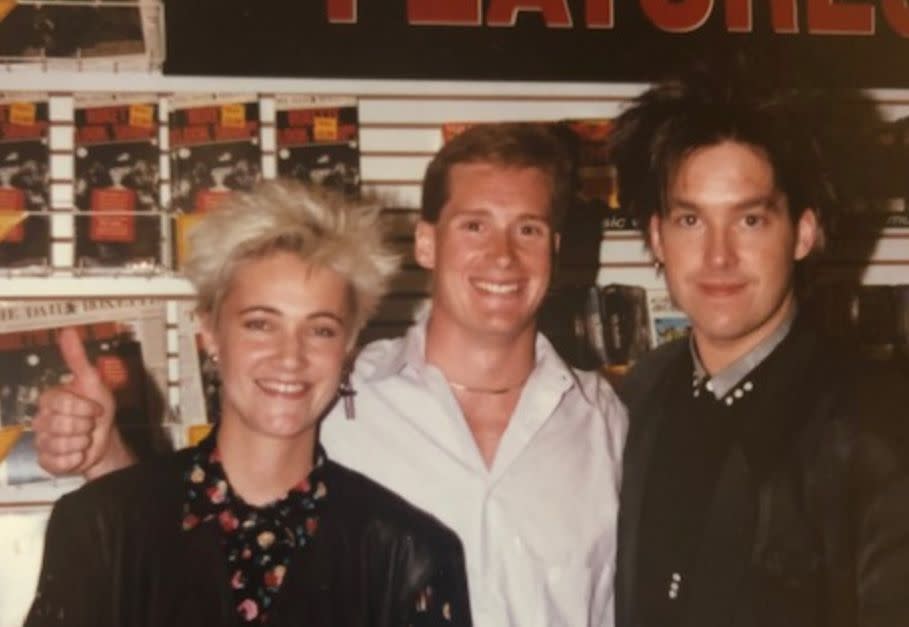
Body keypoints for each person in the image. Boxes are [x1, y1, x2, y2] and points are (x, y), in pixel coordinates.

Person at [32, 123, 628, 627]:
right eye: (474, 225)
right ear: (426, 242)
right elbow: (196, 529)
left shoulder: (609, 422)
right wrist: (106, 459)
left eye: (526, 229)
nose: (502, 256)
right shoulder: (337, 392)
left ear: (555, 245)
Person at [26, 181, 472, 627]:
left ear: (349, 348)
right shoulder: (97, 526)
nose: (290, 357)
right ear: (209, 331)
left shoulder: (413, 554)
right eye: (260, 324)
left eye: (320, 330)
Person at [607, 62, 909, 627]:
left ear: (804, 232)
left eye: (749, 220)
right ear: (656, 235)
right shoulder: (640, 394)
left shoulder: (880, 426)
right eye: (691, 220)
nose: (718, 257)